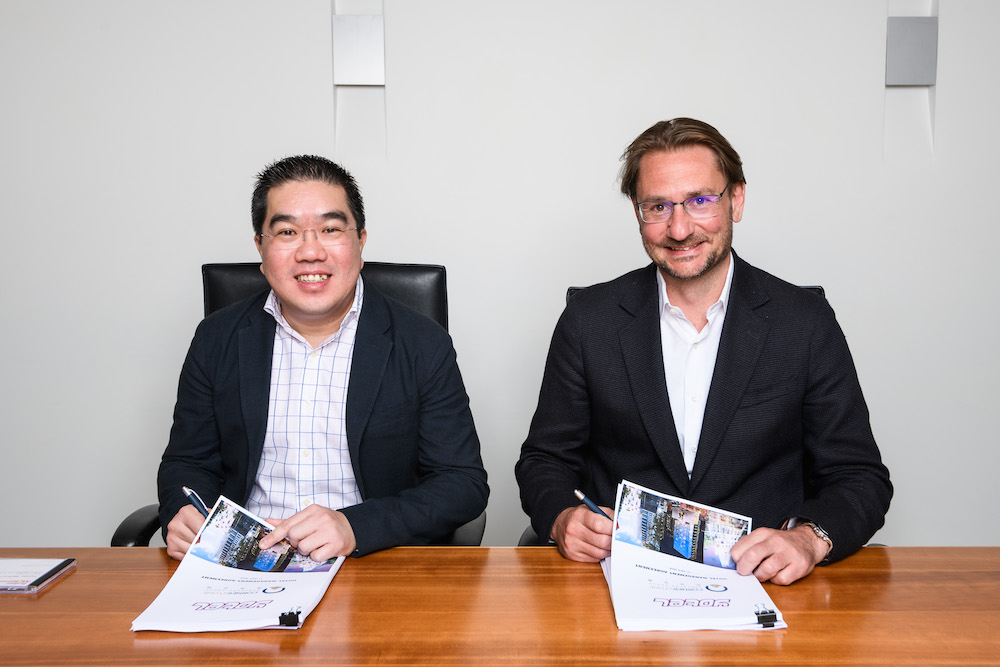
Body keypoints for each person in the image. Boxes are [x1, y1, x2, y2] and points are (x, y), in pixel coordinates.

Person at [515, 118, 891, 585]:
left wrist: (810, 539)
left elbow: (859, 476)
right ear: (638, 213)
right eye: (657, 206)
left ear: (736, 199)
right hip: (617, 580)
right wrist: (560, 518)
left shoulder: (804, 322)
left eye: (699, 200)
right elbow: (544, 461)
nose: (679, 228)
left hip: (765, 584)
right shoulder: (589, 321)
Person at [158, 155, 488, 562]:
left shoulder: (421, 343)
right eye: (287, 232)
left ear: (360, 240)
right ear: (261, 247)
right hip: (244, 564)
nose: (310, 252)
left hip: (371, 563)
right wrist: (185, 511)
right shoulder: (217, 339)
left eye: (330, 229)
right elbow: (187, 463)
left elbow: (462, 483)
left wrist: (356, 526)